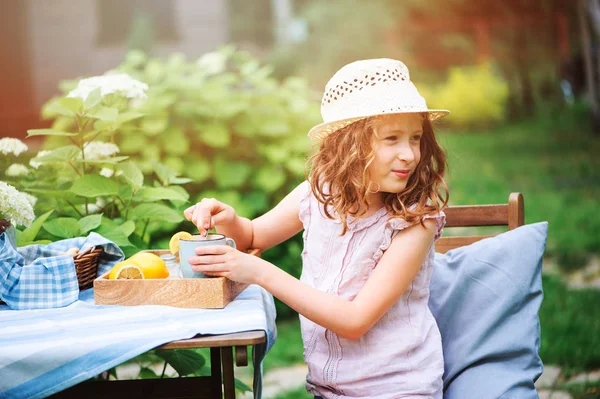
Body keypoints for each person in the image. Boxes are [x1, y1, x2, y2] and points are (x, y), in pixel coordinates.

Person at [184, 58, 450, 399]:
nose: (409, 154)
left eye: (414, 139)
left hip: (398, 388)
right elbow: (252, 235)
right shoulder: (319, 192)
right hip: (328, 389)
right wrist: (227, 218)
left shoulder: (416, 219)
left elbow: (355, 320)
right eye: (392, 139)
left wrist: (260, 272)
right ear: (349, 145)